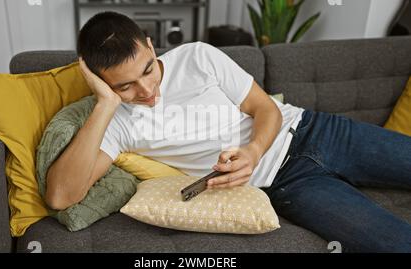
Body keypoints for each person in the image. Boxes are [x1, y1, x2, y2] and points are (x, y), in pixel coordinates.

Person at [44, 11, 411, 252]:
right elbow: (61, 196)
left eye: (147, 70)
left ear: (151, 46)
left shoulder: (197, 57)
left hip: (316, 130)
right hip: (289, 185)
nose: (146, 90)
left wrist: (252, 151)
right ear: (101, 83)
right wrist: (106, 104)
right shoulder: (117, 121)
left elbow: (264, 108)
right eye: (124, 87)